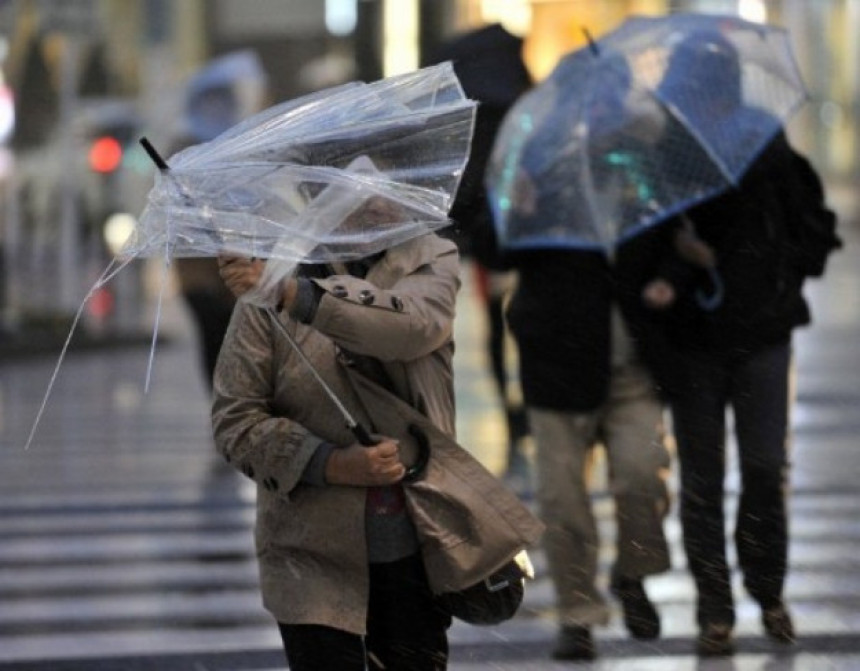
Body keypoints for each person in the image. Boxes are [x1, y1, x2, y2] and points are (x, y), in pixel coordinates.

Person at [638, 30, 843, 657]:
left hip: (763, 332)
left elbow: (810, 223)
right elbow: (646, 239)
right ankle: (714, 607)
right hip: (694, 341)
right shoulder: (669, 149)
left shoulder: (764, 139)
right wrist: (681, 262)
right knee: (703, 478)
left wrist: (779, 270)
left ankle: (768, 591)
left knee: (762, 467)